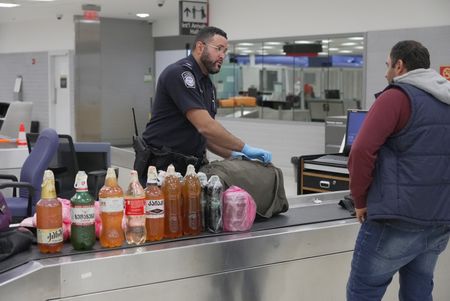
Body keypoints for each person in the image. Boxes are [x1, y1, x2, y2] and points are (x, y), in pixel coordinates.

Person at [346, 40, 450, 301]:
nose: (386, 73)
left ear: (399, 65)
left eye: (387, 65)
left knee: (363, 291)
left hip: (396, 219)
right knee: (419, 290)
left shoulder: (396, 96)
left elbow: (361, 151)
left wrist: (359, 200)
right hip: (440, 219)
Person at [139, 26, 271, 181]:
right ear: (200, 47)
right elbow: (206, 126)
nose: (222, 56)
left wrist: (233, 154)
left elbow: (204, 136)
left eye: (225, 51)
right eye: (219, 49)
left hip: (190, 167)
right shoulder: (179, 74)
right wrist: (244, 147)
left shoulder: (207, 85)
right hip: (162, 165)